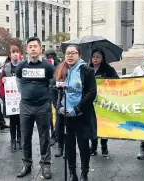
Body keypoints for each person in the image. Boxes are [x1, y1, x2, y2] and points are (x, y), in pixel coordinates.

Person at [53, 45, 97, 181]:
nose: (70, 56)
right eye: (67, 53)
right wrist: (58, 106)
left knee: (83, 147)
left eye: (73, 53)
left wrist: (77, 109)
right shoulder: (61, 70)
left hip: (81, 115)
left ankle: (84, 173)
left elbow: (91, 92)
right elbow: (53, 90)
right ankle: (72, 173)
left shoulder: (87, 70)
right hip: (66, 116)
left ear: (79, 55)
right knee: (69, 147)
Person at [15, 37, 55, 179]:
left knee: (44, 137)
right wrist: (26, 94)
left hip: (43, 106)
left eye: (35, 46)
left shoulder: (48, 66)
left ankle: (45, 165)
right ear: (26, 50)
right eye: (30, 46)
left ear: (40, 49)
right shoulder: (20, 66)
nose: (32, 49)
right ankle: (27, 164)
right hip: (25, 106)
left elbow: (52, 83)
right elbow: (18, 82)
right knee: (25, 136)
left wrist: (47, 97)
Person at [89, 49, 119, 157]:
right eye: (94, 57)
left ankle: (104, 146)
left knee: (103, 125)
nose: (95, 59)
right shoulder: (87, 69)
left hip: (104, 102)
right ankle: (93, 146)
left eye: (98, 57)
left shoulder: (109, 69)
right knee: (92, 125)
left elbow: (117, 82)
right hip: (91, 102)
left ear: (102, 59)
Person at [1, 45, 22, 152]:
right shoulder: (6, 67)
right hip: (11, 98)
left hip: (21, 97)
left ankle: (20, 139)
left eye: (16, 52)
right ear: (10, 55)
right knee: (13, 121)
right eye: (13, 52)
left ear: (19, 54)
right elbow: (1, 81)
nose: (15, 54)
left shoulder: (23, 65)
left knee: (21, 120)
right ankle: (13, 140)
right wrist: (3, 80)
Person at [45, 49, 60, 146]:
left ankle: (56, 134)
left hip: (57, 94)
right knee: (50, 117)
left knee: (57, 116)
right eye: (48, 56)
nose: (50, 58)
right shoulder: (45, 66)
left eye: (51, 56)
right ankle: (53, 134)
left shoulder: (59, 66)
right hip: (47, 94)